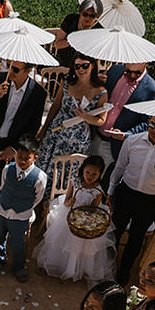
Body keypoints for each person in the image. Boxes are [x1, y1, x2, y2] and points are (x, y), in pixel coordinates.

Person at [35, 54, 109, 200]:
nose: (81, 69)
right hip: (55, 134)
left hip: (77, 141)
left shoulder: (101, 92)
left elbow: (101, 120)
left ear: (93, 65)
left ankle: (55, 203)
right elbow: (56, 106)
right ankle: (38, 201)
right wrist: (44, 129)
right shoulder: (67, 82)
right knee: (45, 167)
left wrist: (86, 117)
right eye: (77, 66)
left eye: (85, 65)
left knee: (64, 175)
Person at [109, 116, 155, 284]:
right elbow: (120, 167)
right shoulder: (133, 141)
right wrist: (110, 191)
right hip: (126, 193)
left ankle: (124, 270)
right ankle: (108, 266)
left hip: (150, 200)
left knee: (136, 238)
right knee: (115, 230)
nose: (154, 130)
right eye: (152, 125)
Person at [35, 155, 115, 283]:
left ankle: (78, 269)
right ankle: (57, 265)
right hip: (70, 214)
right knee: (63, 241)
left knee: (83, 245)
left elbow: (94, 210)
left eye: (94, 174)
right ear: (82, 170)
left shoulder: (98, 190)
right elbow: (66, 201)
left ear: (100, 174)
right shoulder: (75, 182)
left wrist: (86, 215)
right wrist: (70, 202)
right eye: (87, 172)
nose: (89, 176)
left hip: (84, 220)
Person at [0, 63, 47, 182]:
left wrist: (14, 148)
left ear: (28, 71)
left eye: (15, 69)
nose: (10, 71)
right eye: (10, 66)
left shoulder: (37, 93)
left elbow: (33, 126)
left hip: (11, 144)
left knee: (3, 184)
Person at [0, 138, 47, 283]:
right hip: (1, 210)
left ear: (35, 157)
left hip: (20, 216)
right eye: (19, 156)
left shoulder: (40, 177)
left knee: (17, 243)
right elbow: (4, 186)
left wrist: (23, 207)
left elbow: (38, 198)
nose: (21, 160)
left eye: (26, 158)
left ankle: (19, 267)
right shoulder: (8, 169)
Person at [96, 61, 155, 174]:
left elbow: (147, 123)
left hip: (114, 145)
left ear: (145, 64)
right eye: (128, 72)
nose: (131, 76)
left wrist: (126, 135)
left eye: (137, 73)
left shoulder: (152, 90)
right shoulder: (114, 71)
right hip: (94, 133)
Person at [48, 0, 103, 67]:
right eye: (85, 14)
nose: (88, 18)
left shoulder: (98, 29)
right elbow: (58, 44)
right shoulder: (71, 20)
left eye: (92, 16)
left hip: (84, 67)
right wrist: (74, 39)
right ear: (80, 12)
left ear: (97, 17)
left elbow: (97, 54)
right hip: (63, 63)